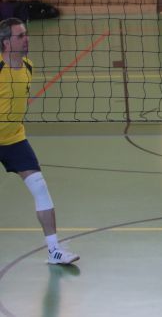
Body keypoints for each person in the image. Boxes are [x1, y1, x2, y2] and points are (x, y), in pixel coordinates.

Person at [0, 18, 79, 265]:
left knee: (40, 188)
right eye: (20, 36)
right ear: (6, 42)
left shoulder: (28, 66)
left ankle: (54, 250)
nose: (27, 39)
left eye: (26, 34)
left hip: (14, 139)